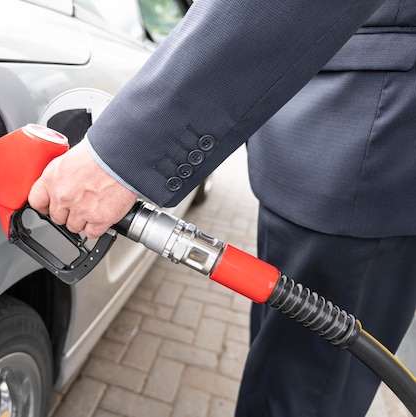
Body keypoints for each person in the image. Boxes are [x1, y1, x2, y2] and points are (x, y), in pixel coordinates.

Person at [29, 0, 416, 415]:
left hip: (365, 160)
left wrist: (116, 157)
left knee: (303, 392)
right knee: (284, 365)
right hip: (334, 155)